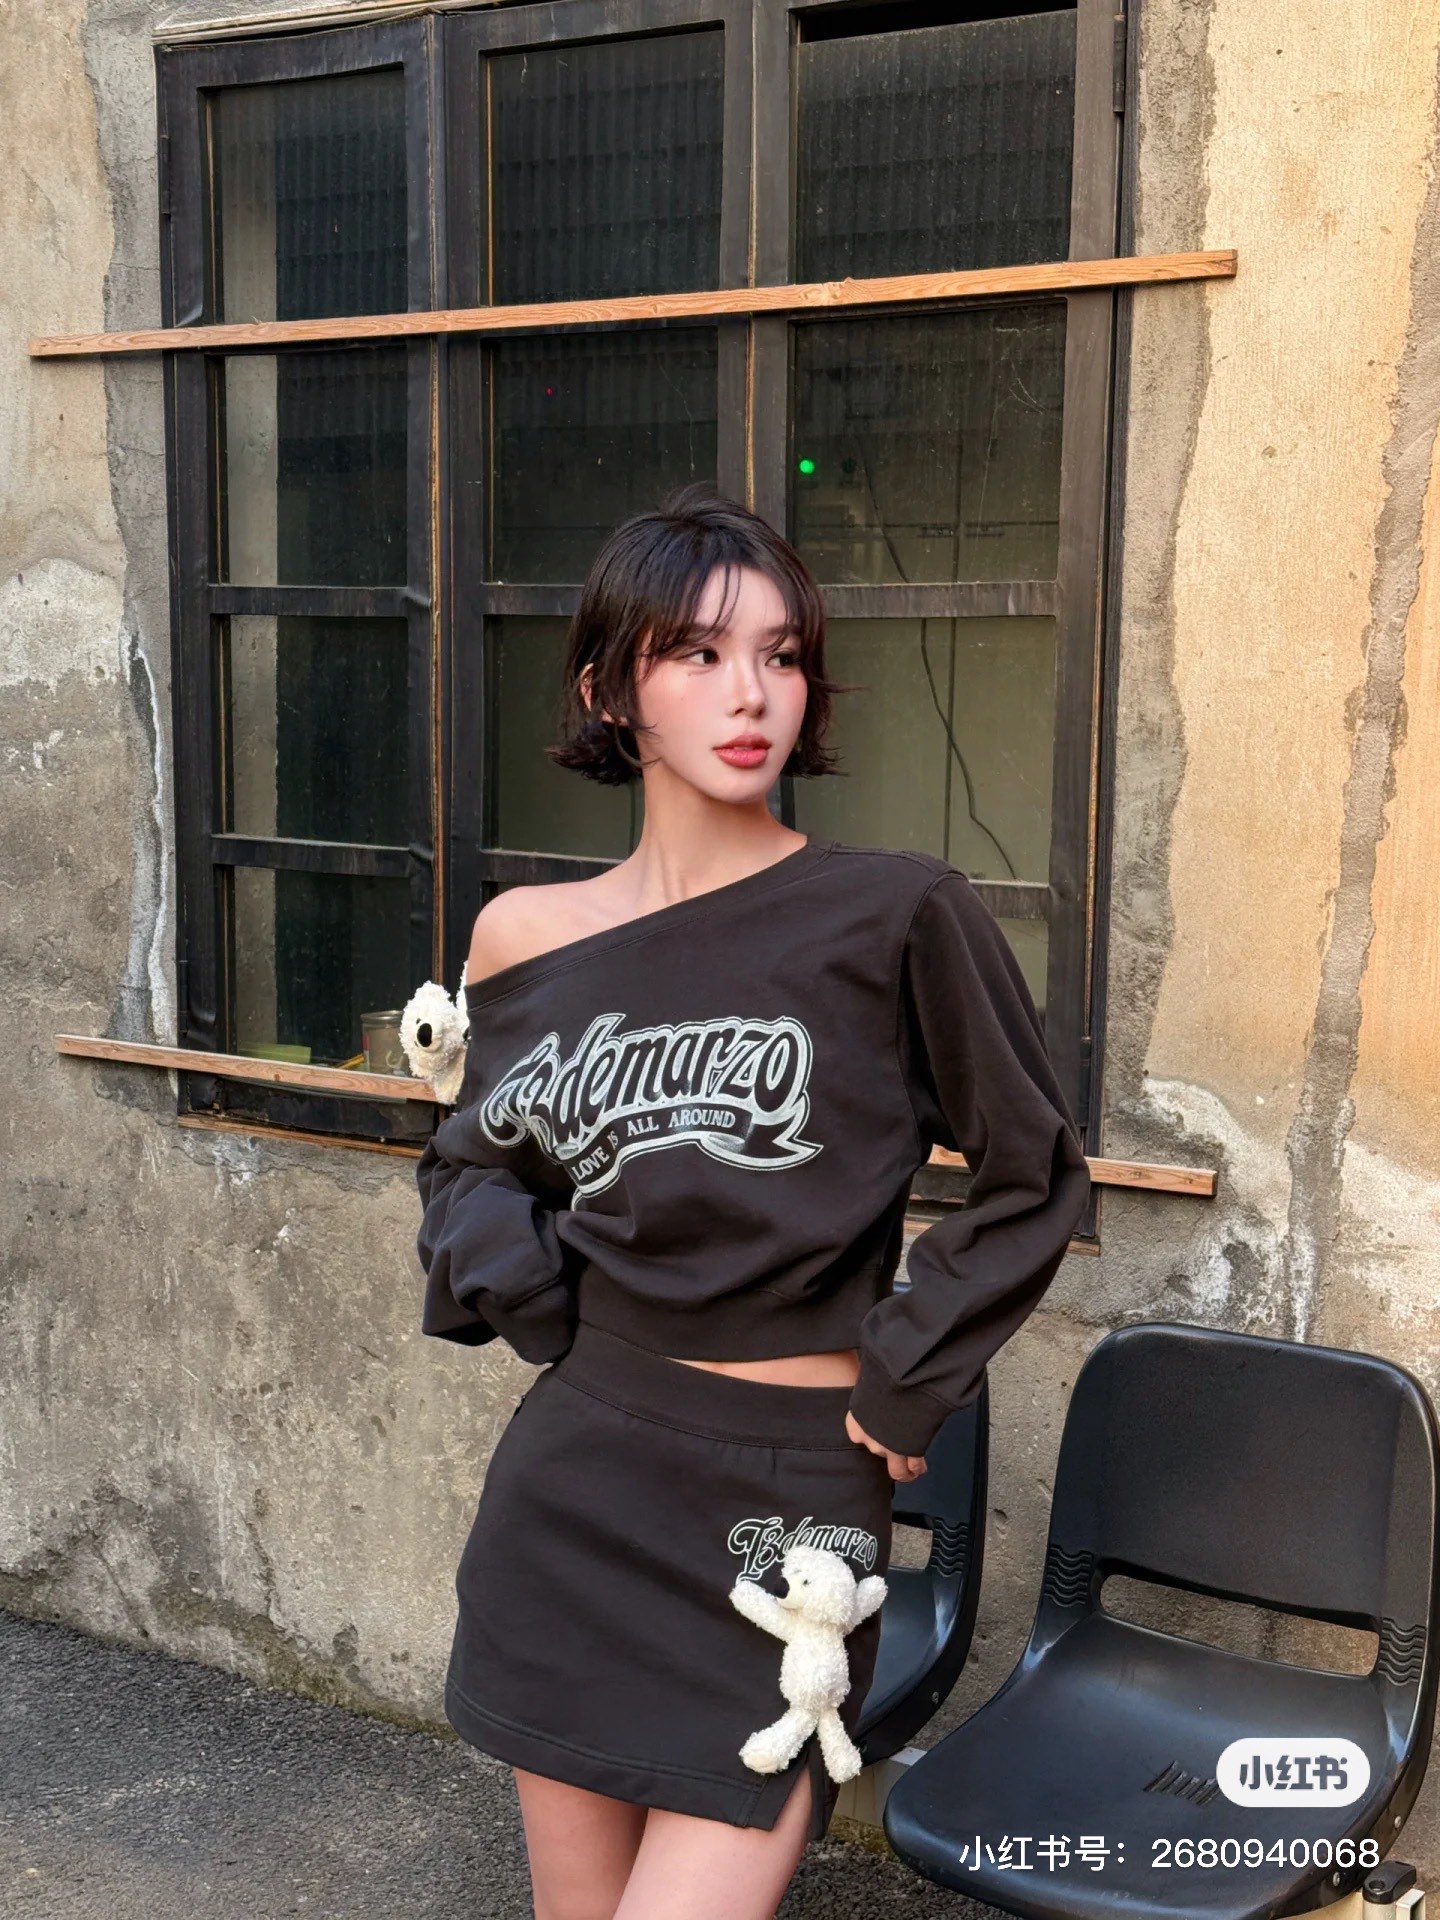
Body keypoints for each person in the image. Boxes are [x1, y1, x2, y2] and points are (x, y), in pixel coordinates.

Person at [414, 482, 1091, 1920]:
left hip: (792, 1507)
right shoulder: (523, 936)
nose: (751, 694)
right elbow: (471, 1159)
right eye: (698, 653)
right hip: (577, 1485)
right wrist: (532, 1293)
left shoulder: (898, 912)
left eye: (781, 655)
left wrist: (910, 1370)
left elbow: (1033, 1171)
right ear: (610, 690)